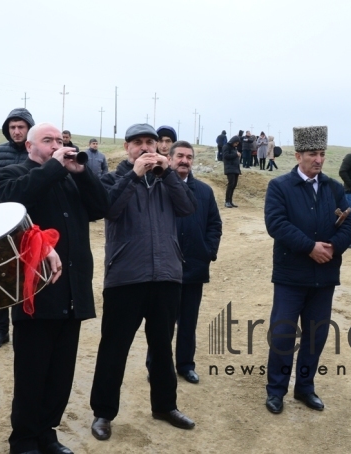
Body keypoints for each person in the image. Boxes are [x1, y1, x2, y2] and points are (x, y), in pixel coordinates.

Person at [0, 122, 109, 454]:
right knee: (32, 373)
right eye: (48, 140)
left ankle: (47, 433)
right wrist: (54, 167)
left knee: (61, 374)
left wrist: (81, 173)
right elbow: (11, 202)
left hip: (73, 289)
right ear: (30, 147)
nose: (58, 145)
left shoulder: (71, 178)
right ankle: (24, 440)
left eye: (60, 140)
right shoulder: (14, 174)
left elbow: (103, 208)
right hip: (36, 291)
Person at [89, 124, 197, 441]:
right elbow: (108, 207)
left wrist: (167, 175)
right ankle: (103, 413)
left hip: (166, 276)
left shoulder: (168, 180)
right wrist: (134, 175)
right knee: (114, 348)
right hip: (125, 278)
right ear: (127, 148)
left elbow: (188, 207)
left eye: (151, 142)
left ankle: (165, 406)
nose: (145, 147)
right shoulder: (112, 178)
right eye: (138, 143)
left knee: (163, 348)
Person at [263, 126, 351, 414]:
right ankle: (276, 390)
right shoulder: (280, 187)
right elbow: (276, 224)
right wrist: (310, 247)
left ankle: (304, 388)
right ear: (298, 154)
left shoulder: (334, 188)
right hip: (291, 275)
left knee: (316, 336)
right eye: (312, 154)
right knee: (283, 335)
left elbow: (350, 223)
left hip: (324, 276)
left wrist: (333, 247)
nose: (318, 159)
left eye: (322, 154)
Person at [147, 140, 222, 384]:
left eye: (189, 157)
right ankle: (157, 366)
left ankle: (185, 365)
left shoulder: (204, 191)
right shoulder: (158, 187)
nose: (184, 161)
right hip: (164, 270)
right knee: (162, 324)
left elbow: (214, 225)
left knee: (188, 322)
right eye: (179, 156)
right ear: (168, 158)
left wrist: (207, 251)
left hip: (194, 267)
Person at [0, 107, 36, 349]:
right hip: (2, 222)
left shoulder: (35, 152)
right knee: (1, 275)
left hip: (30, 221)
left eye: (21, 127)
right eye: (12, 127)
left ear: (29, 129)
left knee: (30, 273)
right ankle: (1, 330)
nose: (16, 131)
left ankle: (27, 325)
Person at [222, 135, 241, 208]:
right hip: (229, 168)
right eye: (236, 143)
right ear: (233, 141)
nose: (236, 145)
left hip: (235, 168)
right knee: (231, 184)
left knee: (234, 185)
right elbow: (226, 156)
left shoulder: (234, 148)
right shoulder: (226, 146)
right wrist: (236, 154)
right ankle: (227, 201)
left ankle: (230, 201)